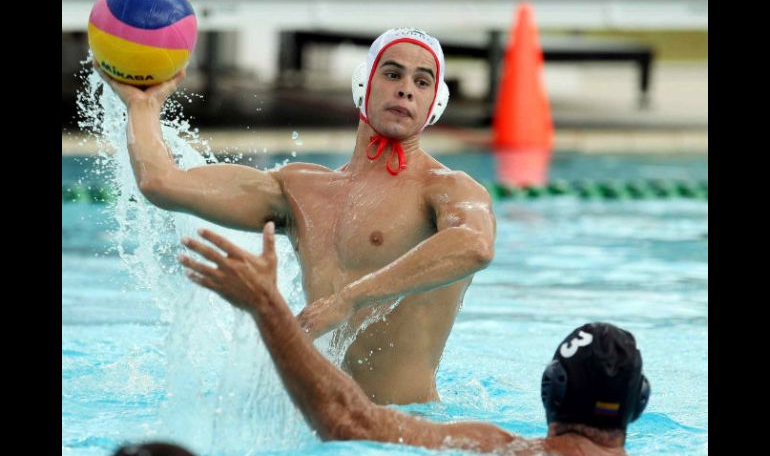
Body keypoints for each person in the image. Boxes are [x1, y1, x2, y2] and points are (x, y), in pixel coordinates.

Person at [94, 27, 495, 405]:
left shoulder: (447, 188)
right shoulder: (301, 192)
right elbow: (162, 183)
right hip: (322, 423)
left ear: (435, 103)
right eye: (392, 74)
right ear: (363, 84)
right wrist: (142, 105)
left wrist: (349, 299)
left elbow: (474, 246)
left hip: (406, 429)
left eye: (422, 82)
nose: (406, 89)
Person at [177, 223, 651, 456]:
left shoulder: (496, 449)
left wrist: (267, 306)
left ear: (551, 389)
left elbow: (348, 421)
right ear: (638, 402)